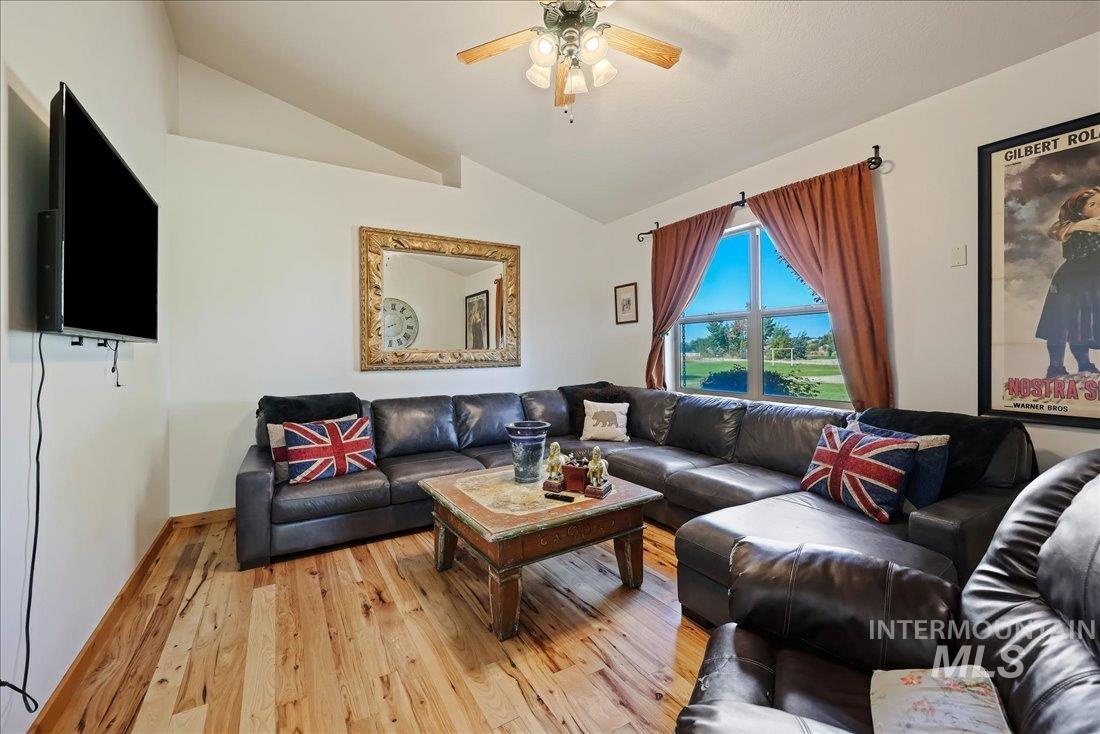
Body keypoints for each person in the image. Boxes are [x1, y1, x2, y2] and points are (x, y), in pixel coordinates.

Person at [1036, 186, 1100, 378]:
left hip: (1095, 278)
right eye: (1093, 204)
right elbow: (1053, 231)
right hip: (1071, 278)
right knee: (1061, 322)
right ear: (1080, 210)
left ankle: (1085, 365)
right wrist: (1078, 226)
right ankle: (1055, 368)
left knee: (1083, 325)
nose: (1099, 207)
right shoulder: (1070, 225)